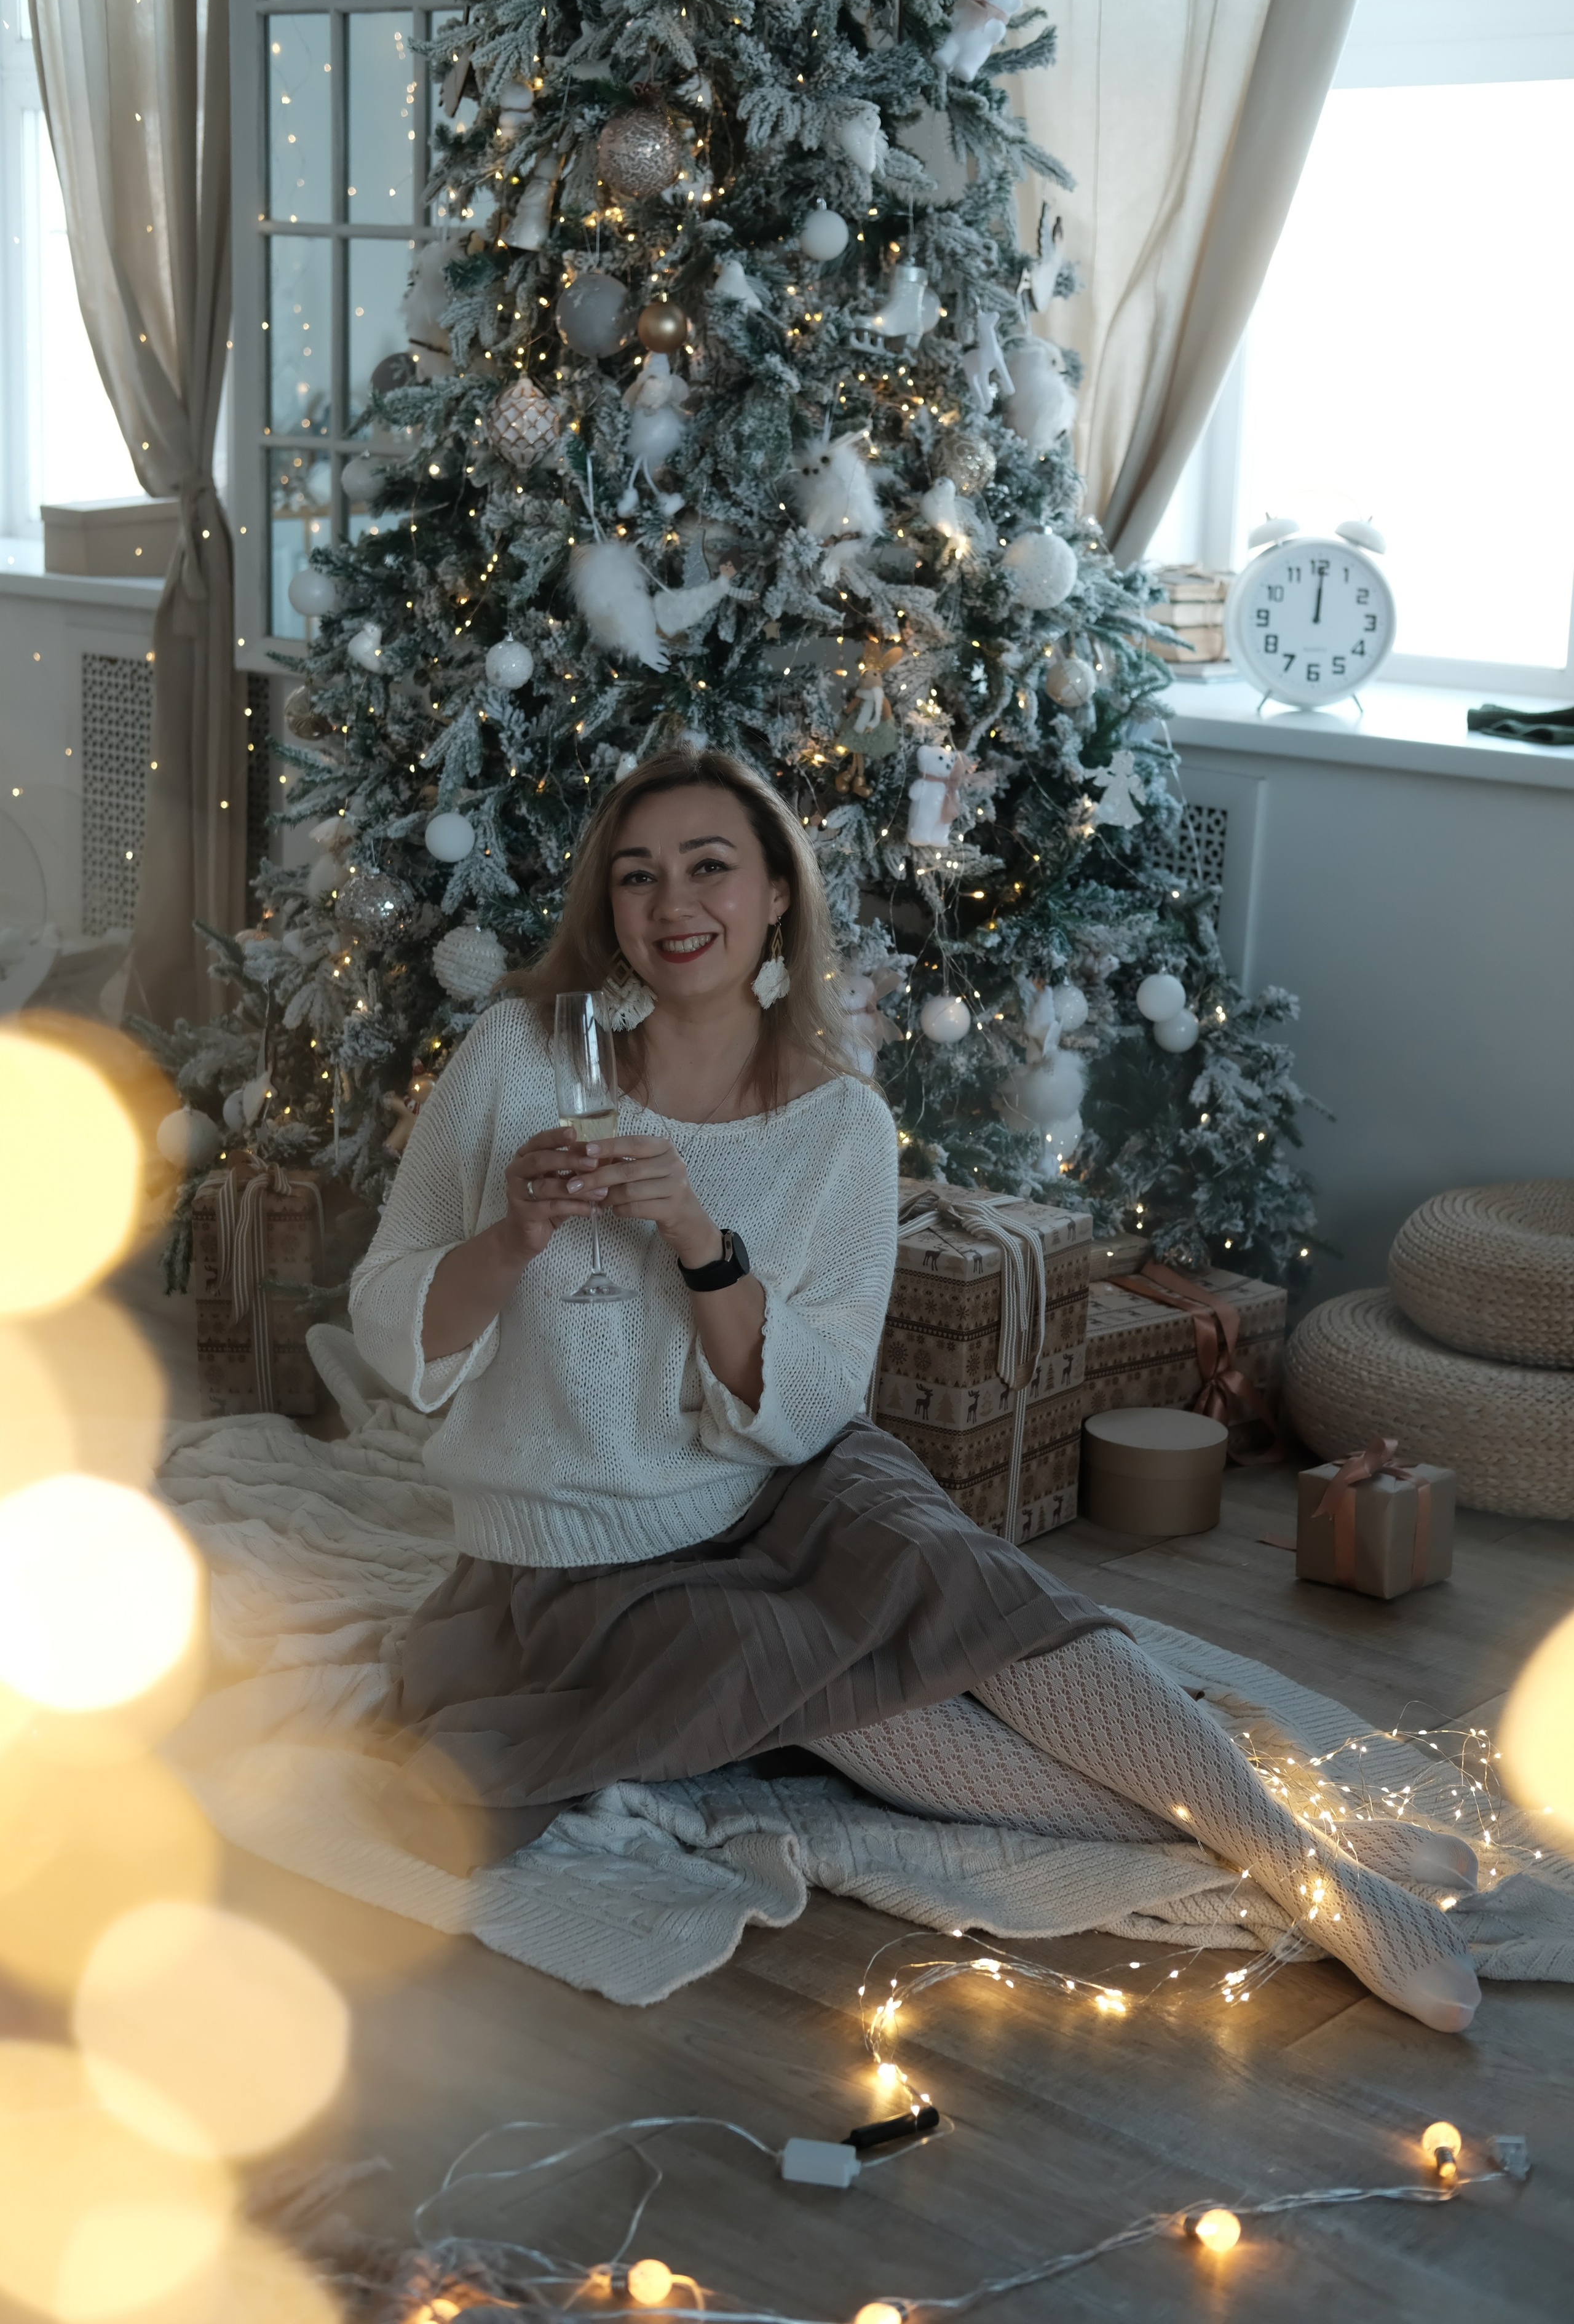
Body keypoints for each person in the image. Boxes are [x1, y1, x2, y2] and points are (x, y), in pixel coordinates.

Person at [350, 748, 1479, 2034]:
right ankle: (1283, 1851)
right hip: (586, 1552)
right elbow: (391, 1324)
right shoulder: (517, 1054)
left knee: (983, 1610)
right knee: (851, 1680)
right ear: (606, 910)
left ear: (776, 893)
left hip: (789, 1479)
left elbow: (813, 1399)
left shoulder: (836, 1120)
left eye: (710, 866)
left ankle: (1308, 1866)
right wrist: (511, 1238)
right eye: (638, 876)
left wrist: (699, 1240)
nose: (674, 904)